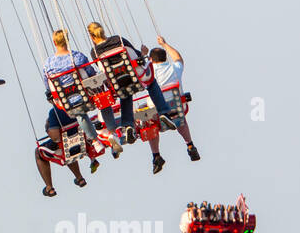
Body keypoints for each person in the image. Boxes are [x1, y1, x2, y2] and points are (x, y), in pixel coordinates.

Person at [86, 22, 177, 173]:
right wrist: (144, 52)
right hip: (134, 76)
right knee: (151, 83)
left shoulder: (94, 51)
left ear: (91, 36)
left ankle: (128, 125)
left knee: (125, 93)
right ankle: (163, 112)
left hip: (117, 83)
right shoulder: (118, 40)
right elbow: (135, 55)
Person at [41, 29, 122, 156]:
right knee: (103, 100)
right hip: (87, 95)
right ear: (67, 40)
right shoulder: (78, 57)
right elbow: (91, 74)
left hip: (69, 101)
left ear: (54, 42)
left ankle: (95, 141)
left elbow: (48, 86)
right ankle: (112, 132)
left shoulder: (48, 64)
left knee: (79, 113)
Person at [146, 36, 200, 162]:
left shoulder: (150, 72)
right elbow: (177, 58)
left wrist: (143, 56)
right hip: (176, 108)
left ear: (150, 60)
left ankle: (156, 155)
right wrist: (164, 44)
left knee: (147, 122)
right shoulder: (175, 69)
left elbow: (140, 71)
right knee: (180, 117)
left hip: (156, 113)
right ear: (165, 58)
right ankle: (190, 144)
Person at [35, 106, 90, 197]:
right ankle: (79, 178)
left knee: (38, 152)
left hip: (67, 146)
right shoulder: (74, 105)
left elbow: (56, 138)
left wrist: (50, 130)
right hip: (81, 142)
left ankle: (49, 187)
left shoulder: (54, 112)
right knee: (68, 149)